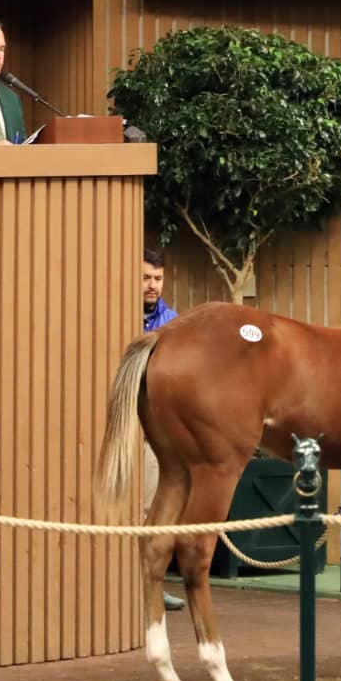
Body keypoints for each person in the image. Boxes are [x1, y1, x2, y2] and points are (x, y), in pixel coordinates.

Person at [141, 248, 184, 611]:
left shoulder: (172, 323)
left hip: (155, 431)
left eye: (157, 278)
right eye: (145, 278)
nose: (151, 285)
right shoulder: (119, 316)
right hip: (125, 426)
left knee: (155, 505)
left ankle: (154, 585)